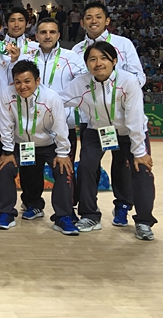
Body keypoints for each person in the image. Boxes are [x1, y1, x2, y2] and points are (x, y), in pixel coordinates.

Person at [61, 42, 156, 240]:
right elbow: (58, 101)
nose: (98, 63)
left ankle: (144, 222)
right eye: (92, 59)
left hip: (130, 133)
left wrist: (139, 152)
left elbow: (135, 118)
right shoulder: (81, 83)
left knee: (142, 171)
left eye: (103, 58)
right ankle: (89, 216)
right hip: (98, 131)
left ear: (114, 61)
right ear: (86, 63)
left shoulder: (128, 81)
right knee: (86, 167)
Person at [0, 60, 78, 235]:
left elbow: (61, 127)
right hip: (20, 144)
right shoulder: (6, 94)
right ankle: (6, 213)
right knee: (5, 167)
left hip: (48, 144)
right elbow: (5, 124)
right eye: (18, 82)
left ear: (37, 81)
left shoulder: (51, 98)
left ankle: (63, 216)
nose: (22, 86)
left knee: (64, 169)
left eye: (27, 81)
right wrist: (8, 151)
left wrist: (63, 153)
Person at [12, 18, 86, 174]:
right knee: (30, 175)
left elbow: (85, 84)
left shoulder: (71, 58)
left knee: (65, 171)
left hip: (64, 125)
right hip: (31, 126)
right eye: (43, 32)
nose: (47, 36)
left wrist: (63, 103)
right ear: (36, 36)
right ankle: (31, 200)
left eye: (52, 32)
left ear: (58, 35)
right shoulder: (27, 58)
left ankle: (67, 200)